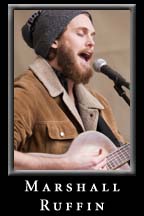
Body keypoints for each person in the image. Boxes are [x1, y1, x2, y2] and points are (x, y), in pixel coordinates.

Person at [14, 10, 129, 170]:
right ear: (54, 40)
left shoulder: (99, 103)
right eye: (81, 34)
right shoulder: (27, 93)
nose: (91, 42)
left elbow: (123, 162)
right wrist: (66, 164)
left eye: (92, 35)